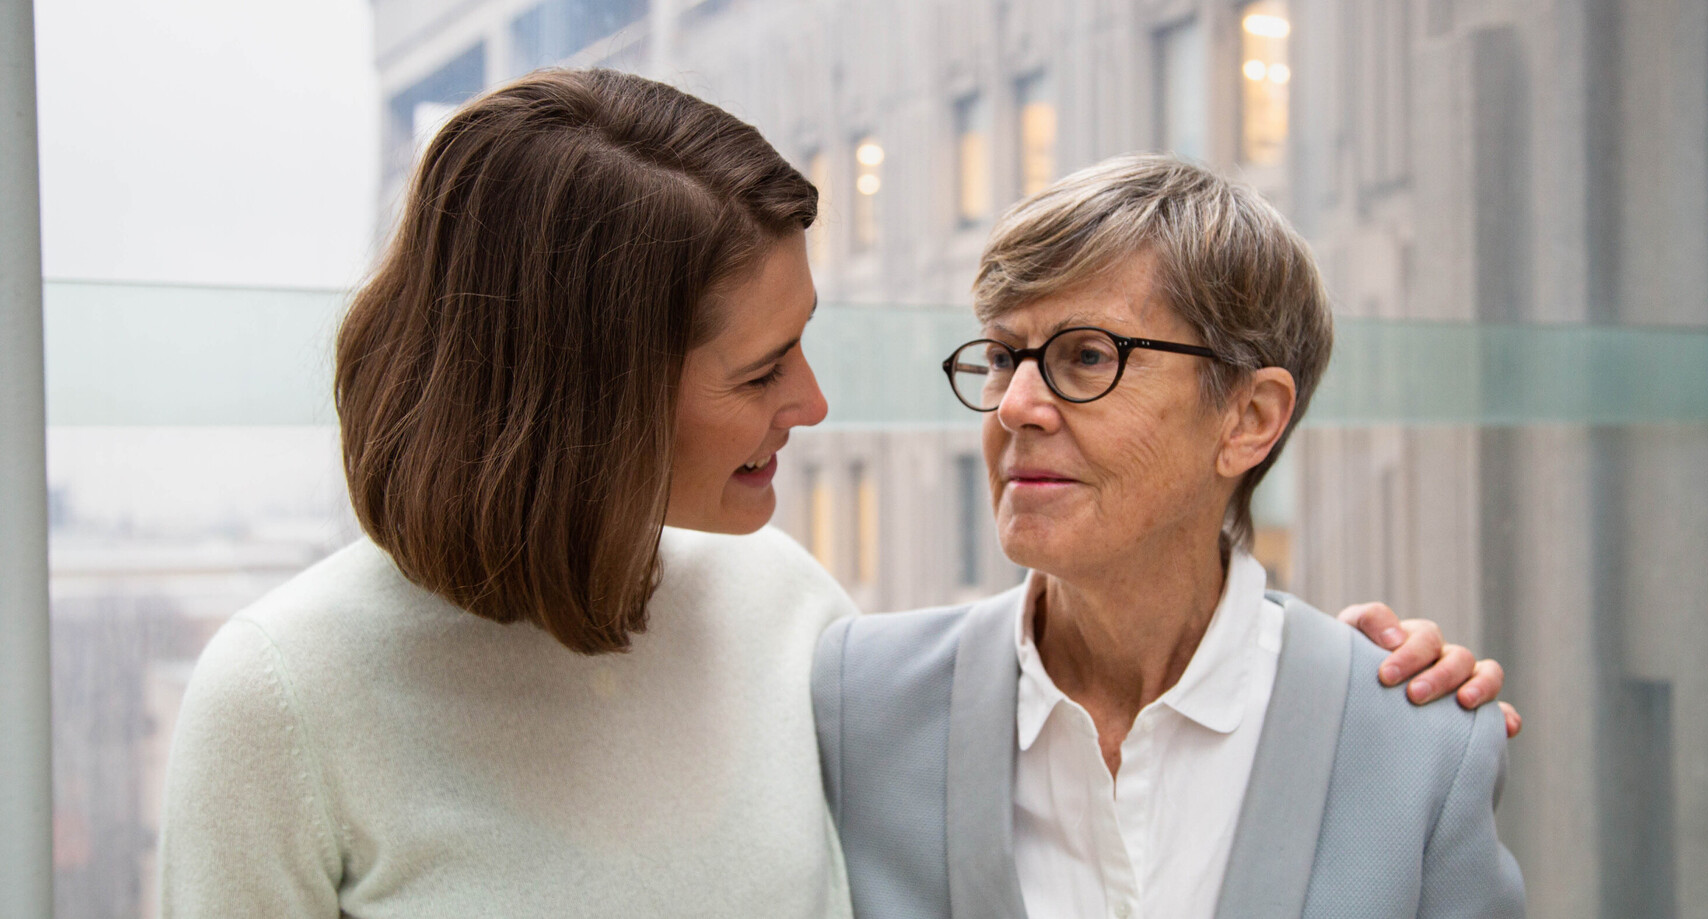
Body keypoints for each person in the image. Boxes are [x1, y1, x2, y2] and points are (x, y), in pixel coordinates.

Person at [159, 70, 1503, 917]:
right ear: (593, 392)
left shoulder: (791, 619)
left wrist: (1365, 686)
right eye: (760, 368)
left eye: (1085, 359)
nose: (810, 402)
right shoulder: (282, 699)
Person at [813, 155, 1525, 919]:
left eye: (1086, 356)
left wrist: (1371, 695)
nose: (1015, 405)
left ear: (1248, 419)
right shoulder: (858, 704)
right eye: (1000, 357)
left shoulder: (1420, 744)